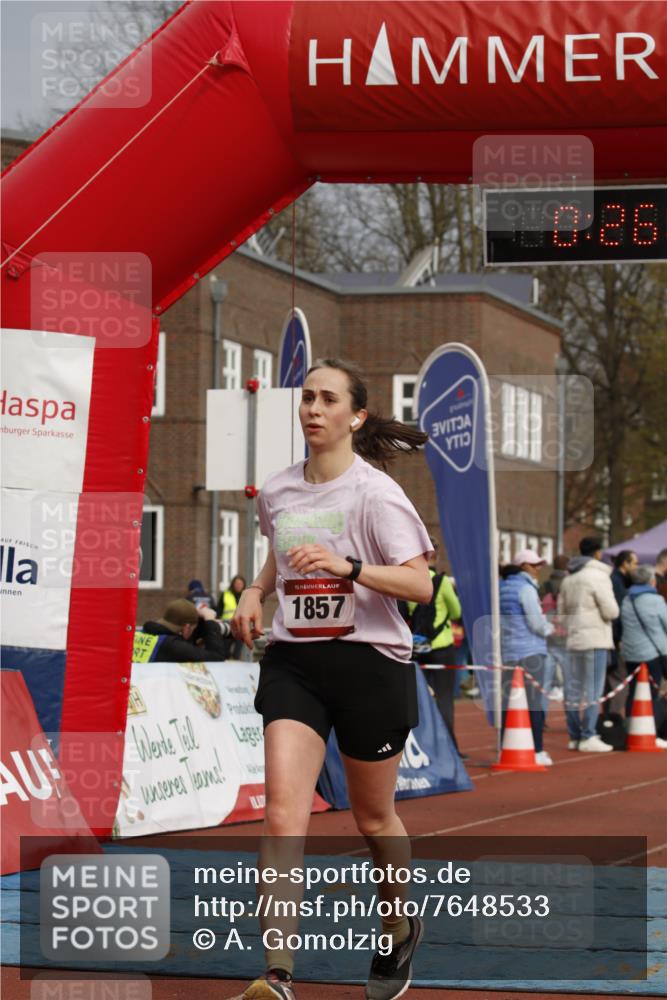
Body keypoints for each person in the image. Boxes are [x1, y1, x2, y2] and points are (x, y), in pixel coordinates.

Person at [231, 358, 433, 1000]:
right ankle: (278, 975)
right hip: (296, 662)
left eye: (327, 400)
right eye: (307, 398)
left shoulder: (375, 494)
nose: (313, 409)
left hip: (370, 663)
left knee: (374, 820)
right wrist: (256, 592)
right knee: (284, 815)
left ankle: (399, 924)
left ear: (356, 415)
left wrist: (349, 567)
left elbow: (419, 585)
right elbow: (278, 551)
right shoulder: (279, 489)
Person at [557, 537, 619, 752]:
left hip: (574, 639)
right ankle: (588, 735)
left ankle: (574, 735)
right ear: (597, 553)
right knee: (593, 689)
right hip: (594, 639)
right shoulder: (599, 576)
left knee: (573, 690)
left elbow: (561, 614)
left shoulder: (568, 579)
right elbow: (611, 610)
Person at [499, 549, 554, 766]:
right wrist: (552, 628)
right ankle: (537, 749)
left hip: (508, 652)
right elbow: (536, 623)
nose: (538, 568)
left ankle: (508, 746)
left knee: (509, 703)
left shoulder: (500, 587)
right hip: (531, 652)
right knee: (535, 703)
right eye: (534, 565)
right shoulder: (527, 589)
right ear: (523, 567)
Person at [408, 540, 463, 753]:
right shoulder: (442, 582)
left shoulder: (410, 580)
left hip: (417, 647)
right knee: (444, 699)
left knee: (419, 699)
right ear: (434, 557)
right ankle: (450, 749)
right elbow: (456, 611)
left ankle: (422, 747)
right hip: (441, 647)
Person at [621, 564, 667, 748]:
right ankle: (651, 732)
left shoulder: (626, 599)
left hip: (631, 653)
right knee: (652, 693)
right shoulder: (655, 601)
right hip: (652, 653)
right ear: (651, 581)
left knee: (633, 692)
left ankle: (631, 729)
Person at [135, 599, 229, 662]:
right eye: (193, 629)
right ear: (187, 628)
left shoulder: (142, 633)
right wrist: (210, 621)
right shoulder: (172, 646)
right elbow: (217, 657)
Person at [606, 550, 638, 714]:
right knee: (617, 681)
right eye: (634, 563)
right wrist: (618, 638)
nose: (636, 567)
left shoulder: (620, 581)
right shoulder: (617, 583)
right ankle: (614, 722)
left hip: (612, 637)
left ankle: (611, 719)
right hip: (614, 639)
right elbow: (618, 613)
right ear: (625, 564)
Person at [218, 574, 247, 659]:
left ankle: (236, 664)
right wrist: (218, 619)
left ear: (243, 585)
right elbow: (219, 609)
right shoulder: (225, 594)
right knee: (225, 651)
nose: (238, 586)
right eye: (237, 583)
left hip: (240, 627)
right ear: (233, 584)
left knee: (237, 653)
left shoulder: (245, 596)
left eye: (240, 584)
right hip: (228, 626)